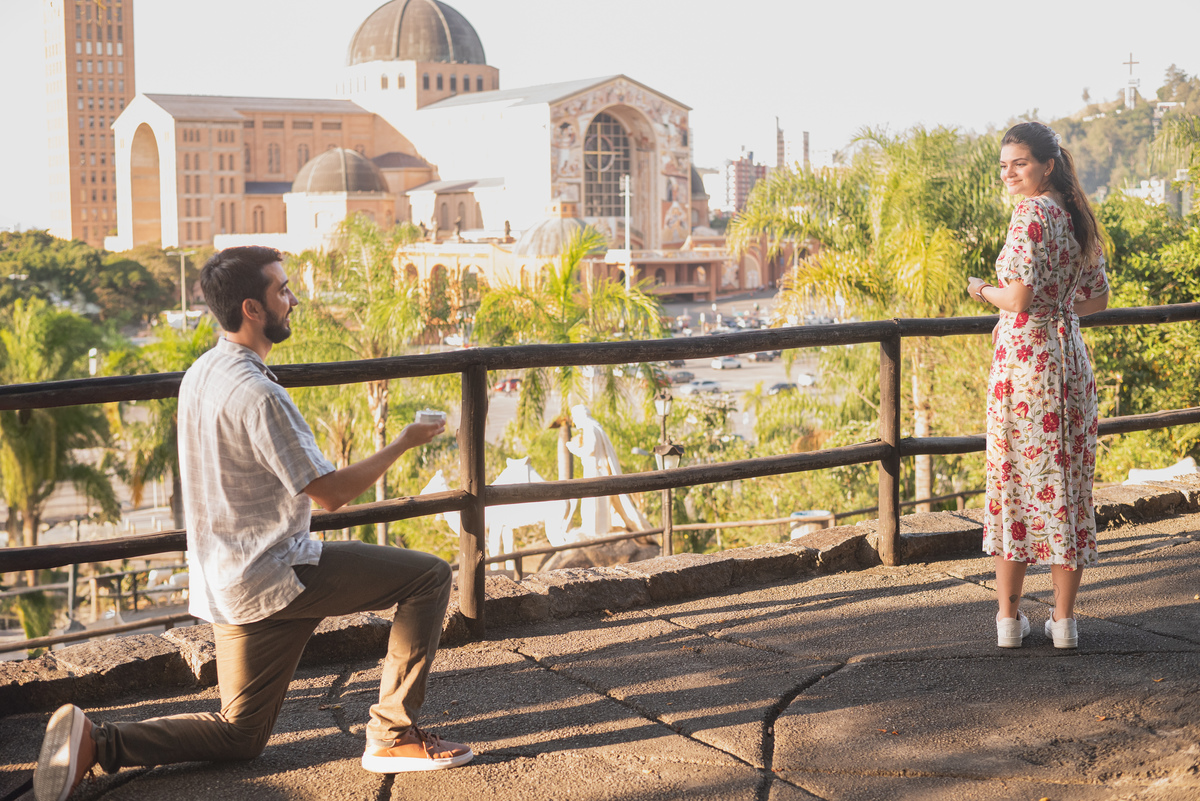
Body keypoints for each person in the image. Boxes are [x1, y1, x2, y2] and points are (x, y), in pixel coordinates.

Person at [34, 246, 472, 801]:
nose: (293, 300)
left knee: (240, 735)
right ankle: (392, 733)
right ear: (253, 308)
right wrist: (404, 442)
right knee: (429, 576)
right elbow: (331, 495)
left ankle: (99, 743)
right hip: (278, 573)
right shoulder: (260, 395)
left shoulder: (203, 372)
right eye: (282, 290)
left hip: (228, 580)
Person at [966, 122, 1109, 651]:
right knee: (1068, 486)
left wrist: (982, 288)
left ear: (1046, 164)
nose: (1009, 173)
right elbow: (1097, 299)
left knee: (1015, 484)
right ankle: (1064, 624)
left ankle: (1008, 622)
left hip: (1025, 365)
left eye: (1018, 163)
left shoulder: (1029, 214)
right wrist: (1059, 308)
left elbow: (1018, 299)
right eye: (1004, 164)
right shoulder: (1075, 215)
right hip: (1069, 360)